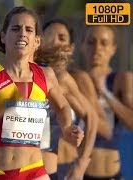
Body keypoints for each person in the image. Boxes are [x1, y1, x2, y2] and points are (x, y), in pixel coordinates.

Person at [0, 6, 84, 180]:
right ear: (3, 36)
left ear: (37, 41)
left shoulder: (46, 75)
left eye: (29, 30)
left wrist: (67, 127)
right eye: (16, 29)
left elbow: (63, 106)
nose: (22, 33)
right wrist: (1, 108)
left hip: (34, 169)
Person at [39, 19, 98, 180]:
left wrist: (81, 164)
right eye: (49, 36)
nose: (54, 42)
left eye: (61, 38)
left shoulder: (68, 79)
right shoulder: (28, 73)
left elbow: (92, 117)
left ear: (71, 48)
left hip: (57, 165)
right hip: (21, 166)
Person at [80, 25, 133, 179]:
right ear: (82, 45)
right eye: (91, 42)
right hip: (79, 171)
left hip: (111, 171)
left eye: (104, 43)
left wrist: (104, 92)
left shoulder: (121, 80)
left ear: (113, 48)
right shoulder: (74, 80)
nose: (97, 48)